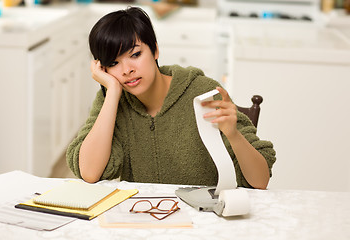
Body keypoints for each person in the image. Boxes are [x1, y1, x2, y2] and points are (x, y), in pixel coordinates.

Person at [66, 7, 276, 190]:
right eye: (113, 63)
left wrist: (234, 135)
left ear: (155, 50)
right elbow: (90, 173)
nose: (127, 70)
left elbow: (260, 181)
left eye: (135, 55)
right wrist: (112, 91)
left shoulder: (202, 91)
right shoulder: (112, 98)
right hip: (144, 218)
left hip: (202, 223)